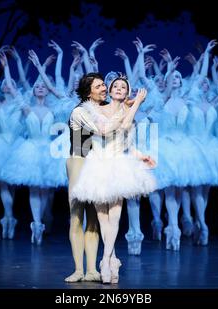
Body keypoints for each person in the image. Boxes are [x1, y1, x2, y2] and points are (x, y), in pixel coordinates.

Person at [71, 74, 156, 284]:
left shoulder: (129, 113)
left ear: (127, 92)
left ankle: (106, 259)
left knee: (115, 216)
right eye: (115, 86)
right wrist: (134, 104)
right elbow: (107, 130)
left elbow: (127, 140)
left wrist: (140, 156)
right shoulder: (96, 110)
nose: (119, 88)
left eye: (123, 87)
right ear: (109, 91)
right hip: (98, 164)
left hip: (118, 165)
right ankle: (111, 260)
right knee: (102, 218)